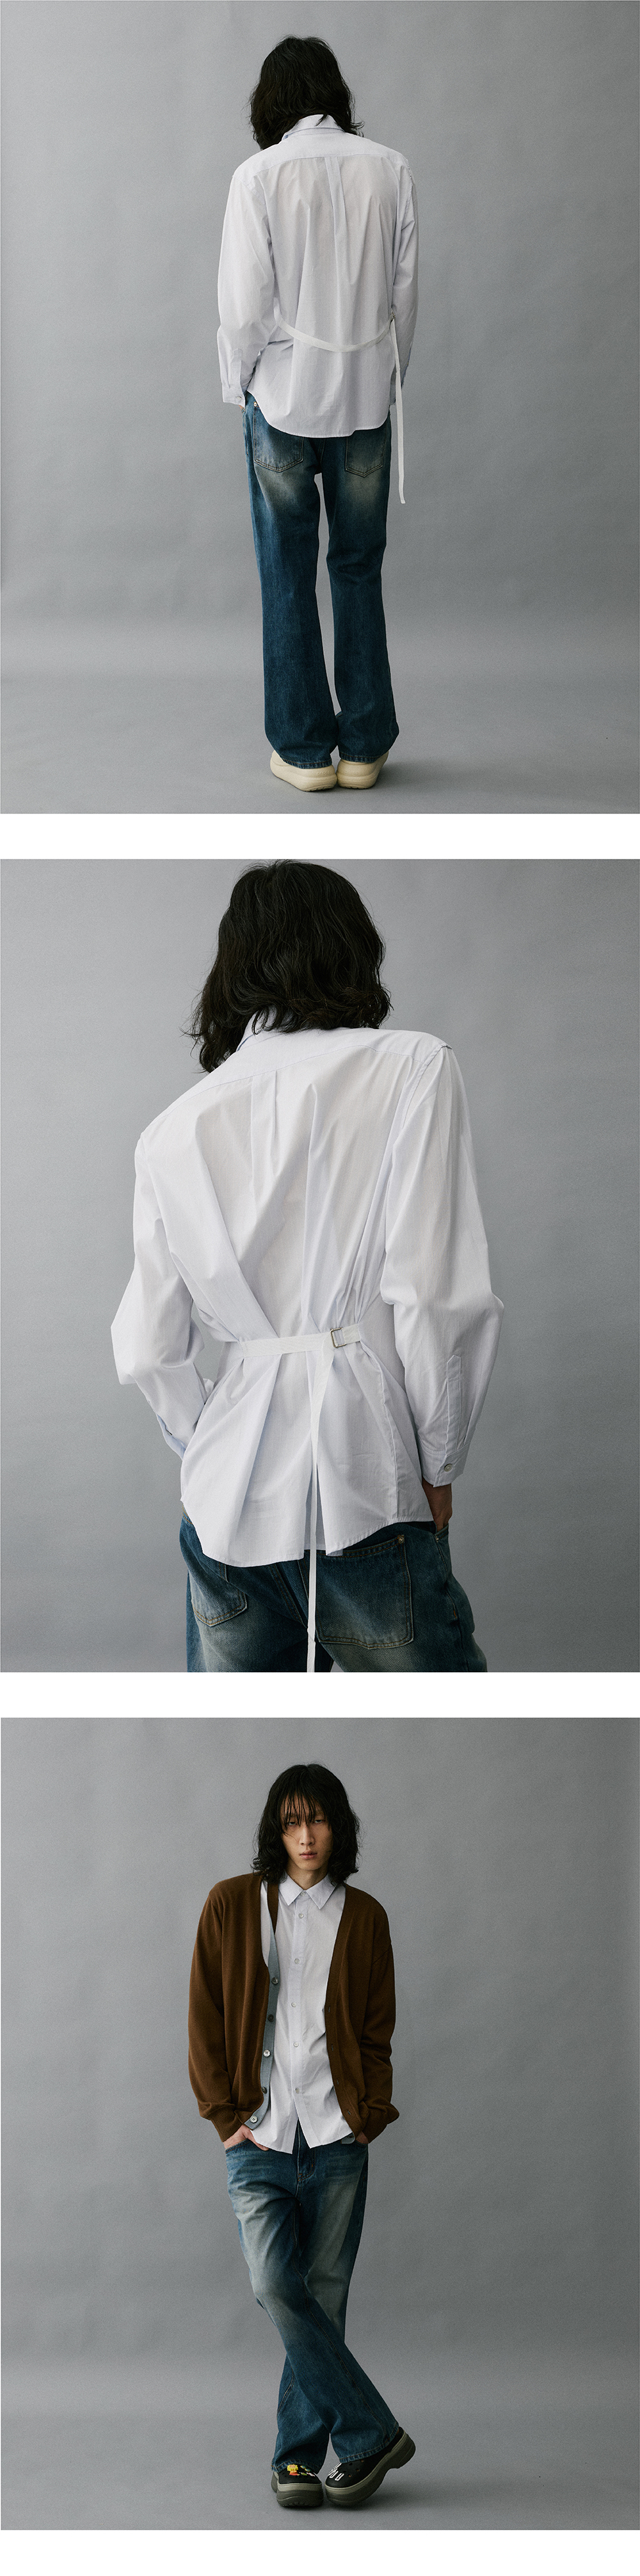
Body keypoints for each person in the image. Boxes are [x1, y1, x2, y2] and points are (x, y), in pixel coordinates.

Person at [111, 862, 503, 1673]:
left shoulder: (171, 1130)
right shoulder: (411, 1066)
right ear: (350, 946)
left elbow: (149, 1347)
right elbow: (435, 1295)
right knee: (435, 1718)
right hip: (368, 1480)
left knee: (237, 1721)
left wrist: (216, 1450)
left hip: (224, 1507)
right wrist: (439, 1461)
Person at [188, 1760, 415, 2510]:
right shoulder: (232, 1903)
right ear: (275, 1830)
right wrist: (225, 2119)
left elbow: (376, 2028)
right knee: (275, 2286)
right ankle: (372, 2430)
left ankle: (296, 2460)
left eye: (316, 1819)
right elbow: (203, 2015)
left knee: (324, 2296)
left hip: (335, 2137)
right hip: (256, 2137)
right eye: (291, 1820)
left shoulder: (365, 1916)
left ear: (337, 1827)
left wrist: (367, 2112)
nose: (306, 1834)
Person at [217, 35, 418, 792]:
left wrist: (240, 383)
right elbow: (405, 298)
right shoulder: (390, 168)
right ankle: (363, 746)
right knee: (358, 566)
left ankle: (304, 752)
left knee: (286, 570)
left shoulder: (257, 176)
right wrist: (387, 377)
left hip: (283, 396)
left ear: (270, 102)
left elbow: (244, 306)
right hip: (366, 392)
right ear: (334, 93)